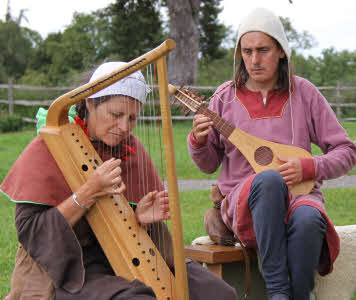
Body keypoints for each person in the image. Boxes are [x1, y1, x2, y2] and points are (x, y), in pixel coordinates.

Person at [0, 61, 237, 300]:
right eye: (116, 115)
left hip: (129, 255)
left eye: (132, 118)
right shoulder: (50, 145)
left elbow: (133, 229)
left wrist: (141, 219)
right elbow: (31, 231)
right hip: (73, 268)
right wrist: (87, 193)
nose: (124, 127)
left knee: (218, 293)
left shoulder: (130, 148)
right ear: (90, 103)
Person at [187, 8, 356, 300]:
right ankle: (278, 292)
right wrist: (198, 140)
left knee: (307, 220)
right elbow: (208, 164)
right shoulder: (224, 97)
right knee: (268, 181)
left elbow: (346, 151)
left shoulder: (304, 93)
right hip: (244, 207)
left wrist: (309, 167)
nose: (254, 60)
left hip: (299, 197)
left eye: (263, 50)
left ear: (280, 50)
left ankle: (300, 295)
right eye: (247, 51)